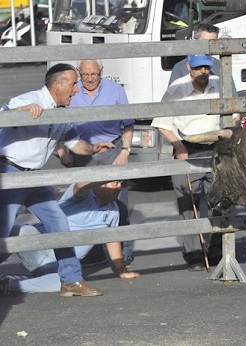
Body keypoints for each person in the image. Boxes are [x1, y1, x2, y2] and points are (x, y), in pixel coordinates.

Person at [0, 63, 115, 297]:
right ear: (58, 85)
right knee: (3, 232)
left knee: (59, 223)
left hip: (36, 177)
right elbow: (3, 115)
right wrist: (21, 112)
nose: (76, 91)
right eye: (74, 85)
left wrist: (93, 148)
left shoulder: (63, 113)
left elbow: (75, 145)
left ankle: (71, 280)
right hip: (10, 172)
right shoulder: (32, 99)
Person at [0, 181, 141, 294]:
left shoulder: (114, 209)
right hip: (38, 248)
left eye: (122, 184)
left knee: (64, 282)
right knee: (20, 231)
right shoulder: (82, 196)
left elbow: (112, 239)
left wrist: (121, 271)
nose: (120, 188)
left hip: (64, 264)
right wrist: (106, 176)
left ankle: (8, 284)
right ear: (101, 183)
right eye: (115, 183)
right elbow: (80, 186)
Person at [58, 59, 135, 266]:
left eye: (94, 74)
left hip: (111, 150)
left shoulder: (115, 90)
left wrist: (125, 151)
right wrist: (62, 150)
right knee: (84, 205)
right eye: (85, 75)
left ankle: (123, 255)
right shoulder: (72, 91)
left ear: (102, 71)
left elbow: (128, 124)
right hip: (82, 152)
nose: (90, 79)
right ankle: (90, 252)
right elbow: (59, 123)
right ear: (79, 74)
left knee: (118, 203)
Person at [151, 54, 224, 271]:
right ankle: (193, 253)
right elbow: (162, 123)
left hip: (215, 147)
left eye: (206, 68)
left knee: (219, 200)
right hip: (188, 148)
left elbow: (235, 112)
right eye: (199, 68)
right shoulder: (177, 89)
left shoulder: (220, 84)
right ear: (189, 66)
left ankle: (216, 249)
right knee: (188, 203)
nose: (203, 72)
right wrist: (179, 146)